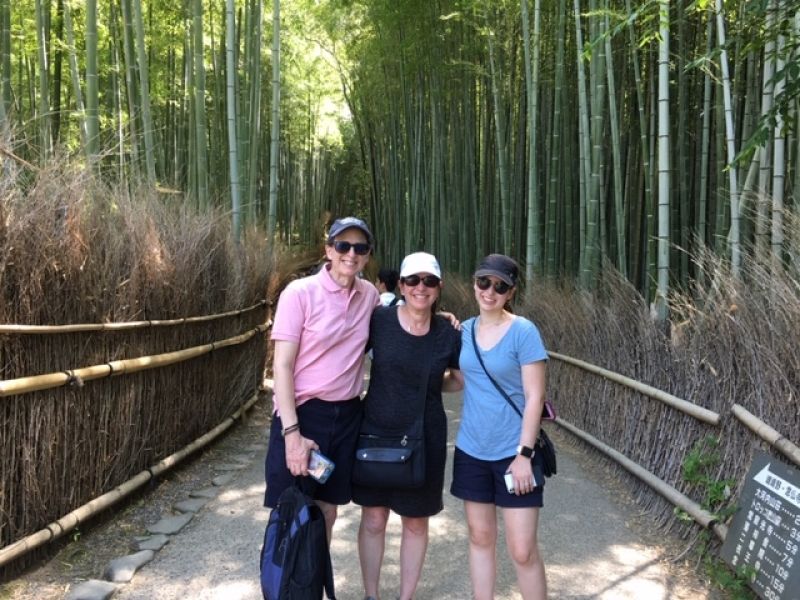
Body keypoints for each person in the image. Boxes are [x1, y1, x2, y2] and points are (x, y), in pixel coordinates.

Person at [264, 216, 380, 544]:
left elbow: (404, 320)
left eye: (360, 247)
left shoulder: (369, 296)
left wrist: (440, 319)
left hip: (345, 417)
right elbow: (282, 367)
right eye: (342, 245)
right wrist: (292, 435)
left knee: (327, 510)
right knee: (292, 511)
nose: (351, 253)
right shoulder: (300, 293)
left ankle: (311, 583)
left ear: (368, 255)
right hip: (303, 415)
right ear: (328, 249)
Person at [353, 252, 461, 600]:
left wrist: (426, 387)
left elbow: (458, 380)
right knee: (373, 519)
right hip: (376, 430)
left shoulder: (448, 332)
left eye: (429, 281)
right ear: (400, 285)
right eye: (412, 280)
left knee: (415, 522)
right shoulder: (379, 321)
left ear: (438, 287)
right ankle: (371, 594)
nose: (420, 288)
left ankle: (405, 597)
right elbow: (345, 352)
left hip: (424, 436)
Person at [449, 254, 549, 600]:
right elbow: (458, 381)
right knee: (480, 538)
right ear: (474, 283)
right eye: (483, 282)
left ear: (511, 292)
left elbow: (535, 397)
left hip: (514, 452)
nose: (489, 292)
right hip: (471, 450)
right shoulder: (462, 330)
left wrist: (524, 454)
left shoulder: (523, 331)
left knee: (522, 550)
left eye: (499, 286)